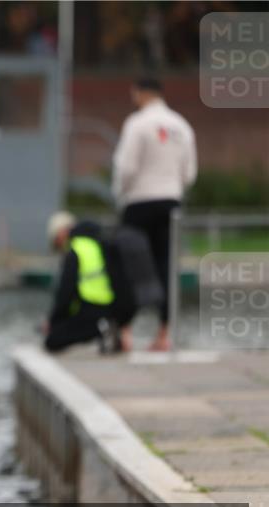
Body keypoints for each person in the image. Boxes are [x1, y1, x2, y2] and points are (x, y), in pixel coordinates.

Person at [112, 76, 197, 351]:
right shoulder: (182, 126)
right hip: (170, 202)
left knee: (129, 266)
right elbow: (189, 173)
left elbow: (126, 168)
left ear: (138, 94)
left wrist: (121, 194)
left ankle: (124, 330)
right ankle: (164, 333)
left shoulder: (136, 124)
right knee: (166, 267)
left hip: (138, 203)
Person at [43, 212, 135, 354]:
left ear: (62, 232)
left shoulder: (76, 250)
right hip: (116, 308)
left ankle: (102, 330)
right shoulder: (98, 242)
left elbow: (65, 294)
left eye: (56, 240)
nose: (58, 246)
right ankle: (109, 330)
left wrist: (53, 322)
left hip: (96, 309)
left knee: (52, 340)